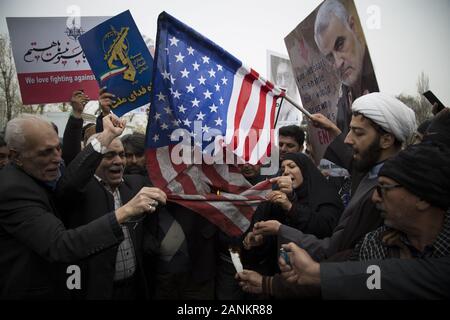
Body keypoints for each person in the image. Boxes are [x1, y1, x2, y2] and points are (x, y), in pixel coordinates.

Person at [0, 114, 161, 299]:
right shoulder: (12, 189)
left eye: (58, 149)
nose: (58, 159)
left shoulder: (39, 175)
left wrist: (107, 135)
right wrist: (126, 211)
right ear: (15, 156)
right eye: (46, 152)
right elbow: (60, 245)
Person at [275, 141, 450, 299]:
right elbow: (348, 277)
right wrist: (273, 284)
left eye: (384, 188)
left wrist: (317, 273)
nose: (375, 198)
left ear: (422, 198)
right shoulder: (374, 243)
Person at [277, 93, 417, 262]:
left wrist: (280, 230)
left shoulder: (386, 192)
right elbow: (352, 161)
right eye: (349, 130)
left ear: (386, 140)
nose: (347, 140)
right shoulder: (371, 170)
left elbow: (336, 249)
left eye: (357, 133)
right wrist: (332, 129)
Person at [57, 130, 166, 300]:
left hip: (134, 288)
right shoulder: (79, 192)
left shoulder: (136, 185)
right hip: (96, 291)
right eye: (109, 155)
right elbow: (70, 180)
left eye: (121, 155)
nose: (119, 161)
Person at [242, 152, 343, 278]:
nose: (286, 172)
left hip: (313, 274)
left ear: (305, 170)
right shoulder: (277, 197)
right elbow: (275, 233)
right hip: (280, 275)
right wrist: (260, 239)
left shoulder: (326, 195)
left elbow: (325, 229)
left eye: (292, 166)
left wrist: (291, 207)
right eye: (283, 169)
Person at [314, 0, 379, 137]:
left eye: (340, 44)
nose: (338, 63)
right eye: (330, 57)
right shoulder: (342, 101)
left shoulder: (380, 75)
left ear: (352, 26)